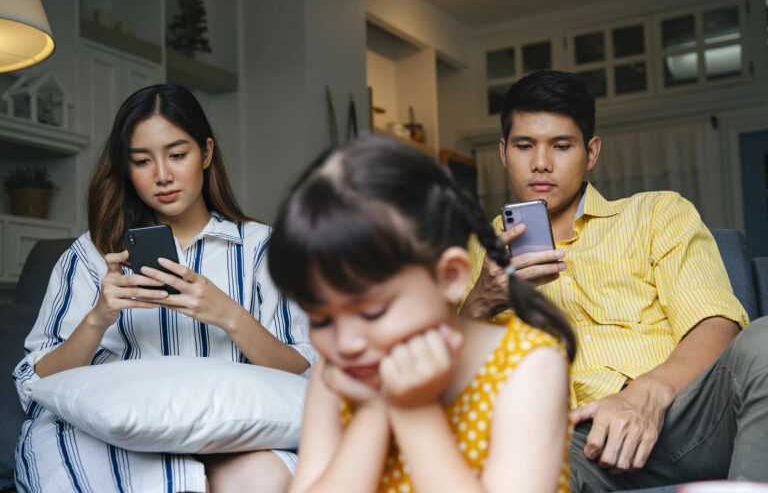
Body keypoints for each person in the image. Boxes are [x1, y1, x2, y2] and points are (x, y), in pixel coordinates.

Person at [462, 70, 768, 491]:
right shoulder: (481, 252)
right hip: (571, 444)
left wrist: (647, 393)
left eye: (561, 146)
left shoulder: (657, 214)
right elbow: (443, 381)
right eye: (524, 145)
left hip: (685, 413)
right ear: (502, 151)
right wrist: (480, 302)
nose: (540, 163)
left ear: (591, 152)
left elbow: (718, 324)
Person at [12, 84, 317, 493]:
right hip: (109, 435)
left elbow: (306, 371)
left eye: (177, 155)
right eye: (142, 160)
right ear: (126, 167)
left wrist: (228, 314)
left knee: (262, 478)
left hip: (235, 428)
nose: (162, 176)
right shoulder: (90, 254)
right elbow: (34, 384)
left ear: (206, 153)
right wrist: (98, 318)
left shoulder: (265, 248)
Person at [267, 136, 575, 493]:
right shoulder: (336, 374)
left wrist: (414, 411)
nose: (346, 343)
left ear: (450, 277)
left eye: (373, 313)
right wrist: (372, 412)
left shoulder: (528, 366)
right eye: (320, 320)